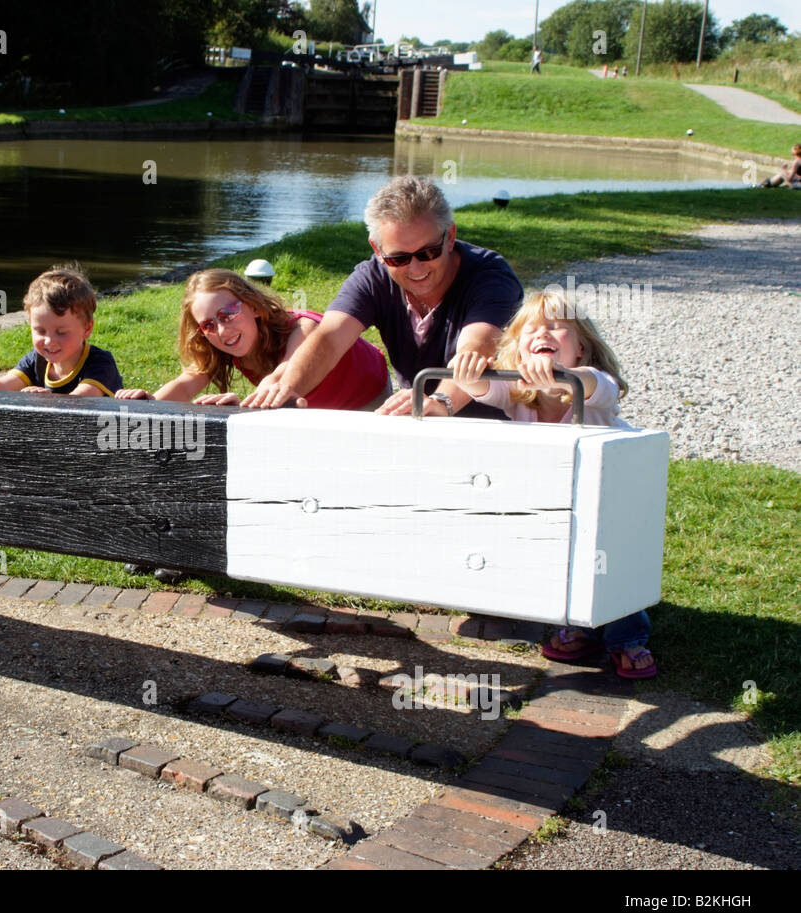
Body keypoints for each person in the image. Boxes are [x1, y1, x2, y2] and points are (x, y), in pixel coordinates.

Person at [449, 289, 655, 678]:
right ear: (518, 353)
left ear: (580, 349)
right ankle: (580, 627)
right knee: (567, 560)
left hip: (614, 496)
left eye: (558, 329)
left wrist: (567, 380)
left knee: (613, 565)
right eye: (532, 330)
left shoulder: (594, 388)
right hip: (566, 497)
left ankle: (628, 637)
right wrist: (469, 373)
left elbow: (597, 385)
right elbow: (484, 389)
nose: (543, 335)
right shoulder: (518, 394)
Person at [241, 175, 523, 418]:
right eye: (399, 258)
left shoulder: (490, 276)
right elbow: (328, 339)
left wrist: (440, 403)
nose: (416, 268)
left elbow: (477, 347)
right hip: (415, 418)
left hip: (489, 425)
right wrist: (284, 390)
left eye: (428, 253)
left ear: (450, 237)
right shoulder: (372, 276)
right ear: (377, 249)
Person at [114, 268, 390, 410]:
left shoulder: (302, 328)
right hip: (312, 406)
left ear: (254, 307)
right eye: (208, 324)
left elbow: (286, 374)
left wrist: (242, 406)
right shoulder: (220, 344)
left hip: (368, 398)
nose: (222, 331)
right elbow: (185, 386)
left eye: (228, 314)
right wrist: (149, 404)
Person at [0, 265, 122, 396]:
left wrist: (46, 401)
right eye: (40, 331)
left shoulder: (100, 363)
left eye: (61, 332)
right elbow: (2, 383)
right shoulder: (35, 361)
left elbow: (82, 399)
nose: (49, 341)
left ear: (87, 328)